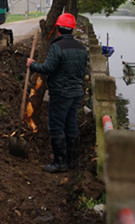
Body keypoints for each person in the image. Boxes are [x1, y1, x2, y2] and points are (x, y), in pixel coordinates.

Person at [26, 13, 88, 173]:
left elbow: (47, 69)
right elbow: (82, 72)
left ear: (57, 29)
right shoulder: (81, 48)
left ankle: (60, 163)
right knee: (71, 123)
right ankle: (70, 160)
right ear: (72, 30)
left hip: (61, 93)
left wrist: (32, 65)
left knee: (56, 125)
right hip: (76, 93)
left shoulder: (57, 47)